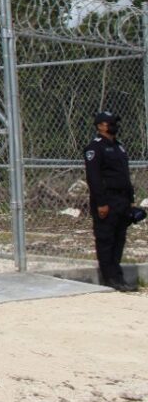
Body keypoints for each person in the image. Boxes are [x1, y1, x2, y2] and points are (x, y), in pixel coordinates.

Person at [84, 111, 138, 292]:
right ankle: (110, 278)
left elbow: (125, 175)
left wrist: (131, 200)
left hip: (122, 200)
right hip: (107, 200)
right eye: (110, 123)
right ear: (100, 126)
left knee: (119, 239)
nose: (114, 125)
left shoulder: (119, 147)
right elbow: (94, 178)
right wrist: (101, 203)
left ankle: (118, 276)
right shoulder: (95, 147)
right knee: (106, 239)